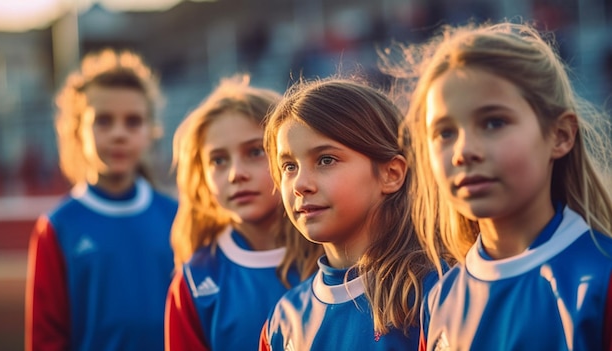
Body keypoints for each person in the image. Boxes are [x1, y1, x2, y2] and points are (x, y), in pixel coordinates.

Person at [396, 21, 612, 350]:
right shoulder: (440, 298)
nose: (463, 151)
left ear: (561, 135)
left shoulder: (600, 279)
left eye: (494, 122)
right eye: (445, 133)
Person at [259, 78, 440, 350]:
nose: (299, 185)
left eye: (326, 160)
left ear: (391, 174)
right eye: (289, 166)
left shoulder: (437, 292)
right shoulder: (284, 319)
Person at [24, 49, 178, 351]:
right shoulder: (57, 228)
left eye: (132, 122)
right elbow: (45, 337)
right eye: (103, 121)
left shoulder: (177, 217)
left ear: (151, 132)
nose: (119, 134)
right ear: (77, 131)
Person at [164, 75, 323, 351]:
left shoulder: (332, 255)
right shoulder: (195, 280)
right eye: (219, 160)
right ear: (201, 175)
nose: (236, 174)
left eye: (255, 152)